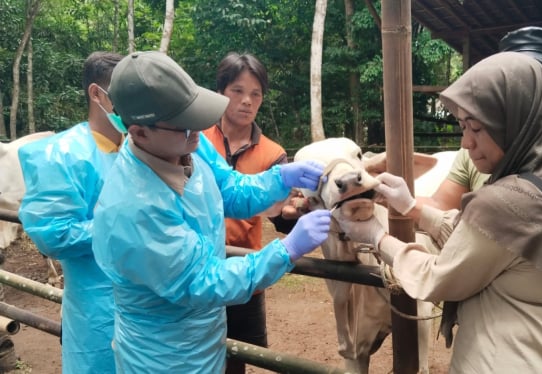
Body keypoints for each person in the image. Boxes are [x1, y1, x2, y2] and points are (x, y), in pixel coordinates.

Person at [337, 52, 542, 373]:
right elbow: (492, 242)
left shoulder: (506, 201)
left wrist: (376, 237)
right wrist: (411, 207)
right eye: (462, 126)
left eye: (477, 128)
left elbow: (438, 276)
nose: (465, 142)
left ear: (515, 123)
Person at [90, 51, 331, 373]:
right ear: (139, 132)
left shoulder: (187, 143)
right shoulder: (133, 208)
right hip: (164, 356)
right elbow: (202, 282)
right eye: (185, 127)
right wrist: (285, 251)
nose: (196, 133)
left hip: (205, 337)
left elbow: (228, 188)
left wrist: (279, 178)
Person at [421, 26, 542, 210]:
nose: (527, 84)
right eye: (517, 75)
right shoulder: (475, 139)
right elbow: (442, 205)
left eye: (540, 74)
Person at [18, 51, 125, 374]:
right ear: (97, 94)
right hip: (94, 307)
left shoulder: (139, 150)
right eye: (122, 92)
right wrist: (126, 226)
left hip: (144, 307)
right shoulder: (63, 155)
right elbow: (54, 234)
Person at [201, 52, 296, 373]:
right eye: (237, 91)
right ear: (220, 92)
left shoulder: (273, 154)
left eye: (255, 94)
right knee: (200, 352)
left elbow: (281, 218)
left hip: (246, 275)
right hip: (199, 268)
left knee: (241, 356)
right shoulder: (196, 140)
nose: (247, 101)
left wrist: (298, 211)